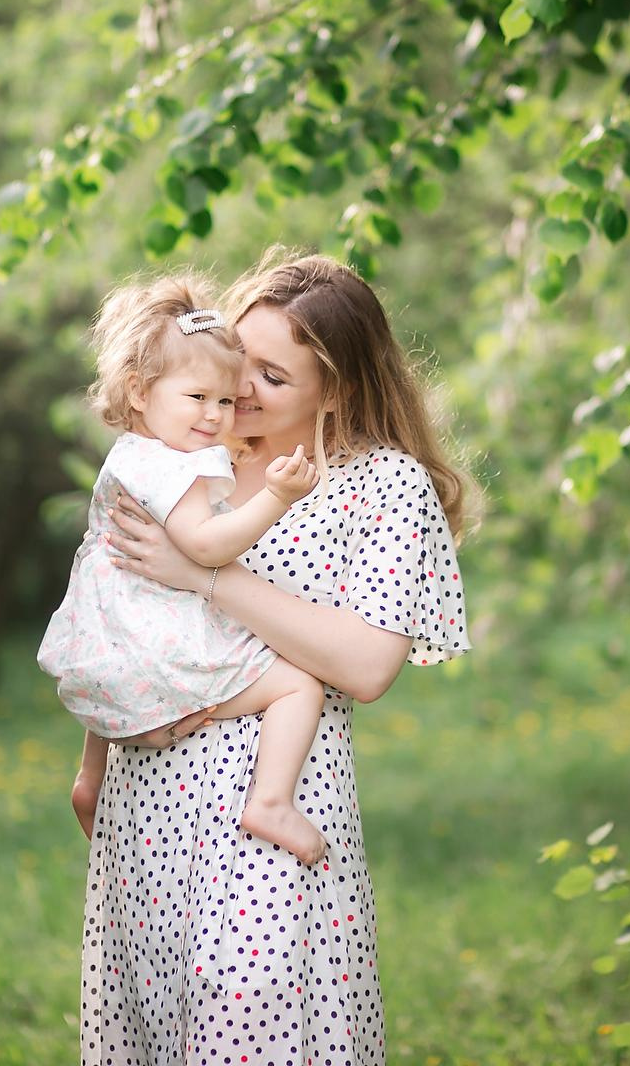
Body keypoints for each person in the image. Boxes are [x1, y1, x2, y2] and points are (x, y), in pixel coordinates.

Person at [80, 247, 473, 1065]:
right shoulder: (185, 456)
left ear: (341, 390)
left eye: (273, 376)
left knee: (256, 1035)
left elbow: (367, 667)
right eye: (238, 359)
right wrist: (90, 766)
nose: (241, 391)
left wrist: (208, 575)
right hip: (146, 807)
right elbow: (111, 611)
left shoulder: (384, 488)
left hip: (271, 808)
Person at [38, 273, 330, 865]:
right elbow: (206, 547)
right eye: (197, 398)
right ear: (140, 392)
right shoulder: (180, 469)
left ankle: (90, 778)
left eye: (225, 400)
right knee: (301, 682)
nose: (216, 415)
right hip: (158, 650)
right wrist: (275, 498)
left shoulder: (131, 453)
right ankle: (271, 800)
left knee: (127, 630)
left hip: (109, 642)